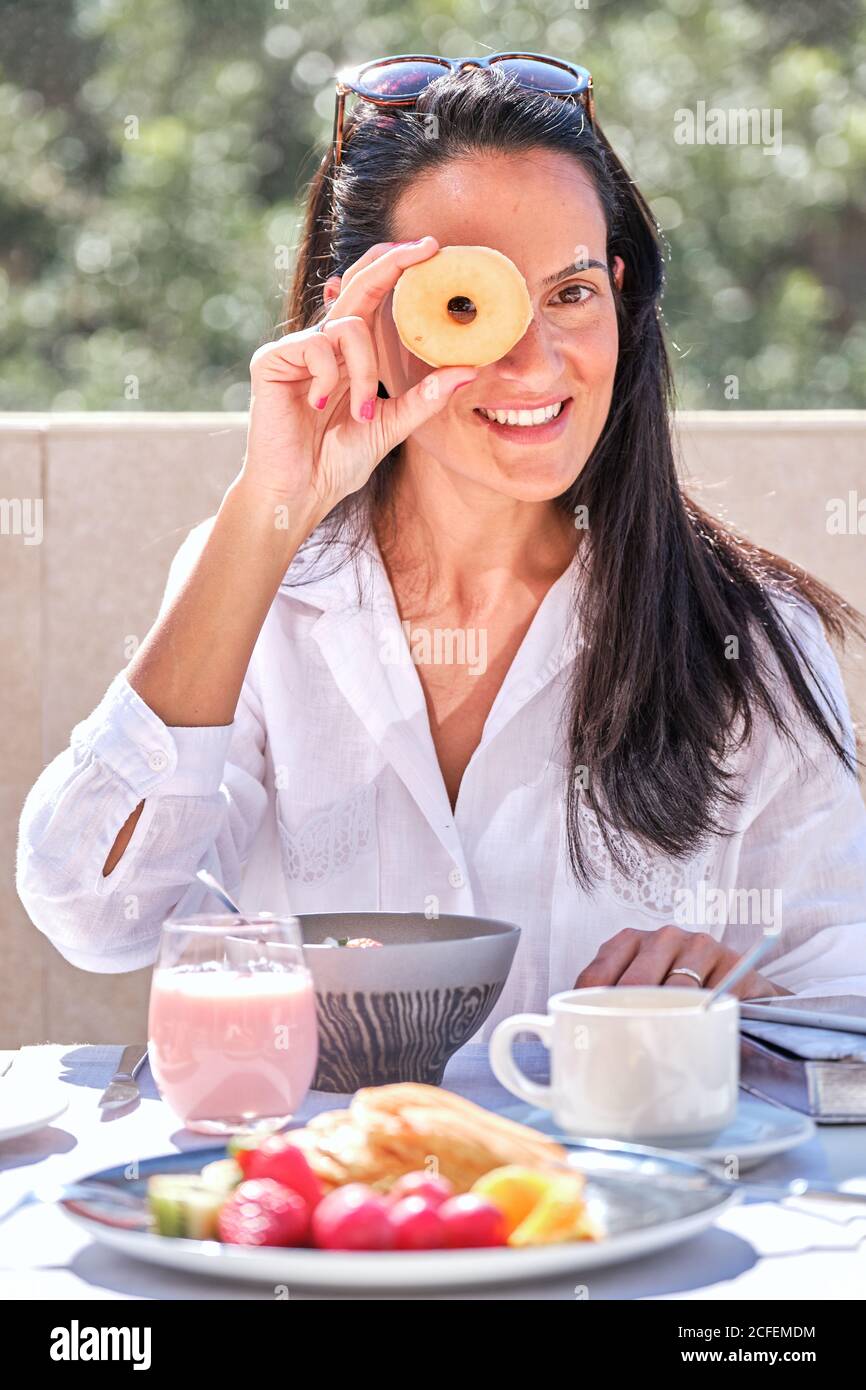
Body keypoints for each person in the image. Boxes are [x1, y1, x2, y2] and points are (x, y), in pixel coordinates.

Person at [16, 57, 866, 1035]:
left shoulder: (746, 636)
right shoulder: (265, 584)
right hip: (339, 1182)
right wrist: (269, 509)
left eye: (571, 293)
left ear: (620, 296)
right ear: (363, 316)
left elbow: (841, 996)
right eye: (471, 306)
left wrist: (736, 994)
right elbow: (97, 914)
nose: (533, 361)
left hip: (613, 1191)